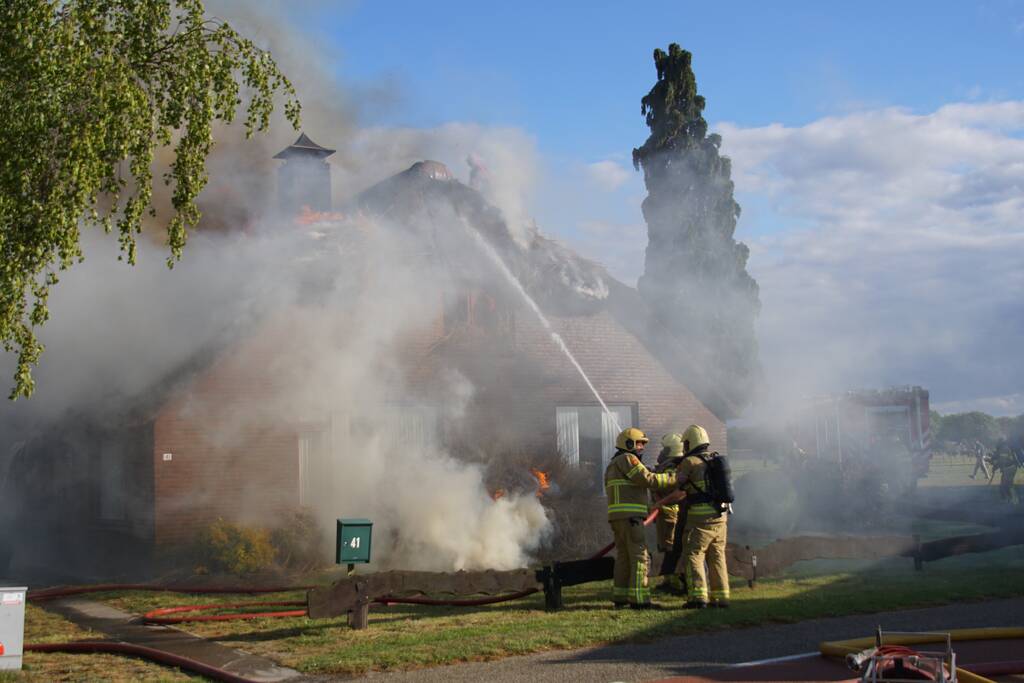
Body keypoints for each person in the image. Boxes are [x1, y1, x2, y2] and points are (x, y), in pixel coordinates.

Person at [604, 427, 676, 609]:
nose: (641, 448)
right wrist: (673, 478)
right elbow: (648, 480)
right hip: (631, 518)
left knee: (623, 557)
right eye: (639, 443)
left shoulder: (613, 464)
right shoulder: (628, 459)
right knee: (640, 557)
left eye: (643, 444)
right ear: (628, 444)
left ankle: (620, 597)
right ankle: (639, 599)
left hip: (618, 518)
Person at [676, 424, 730, 609]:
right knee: (717, 555)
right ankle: (721, 597)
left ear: (690, 442)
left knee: (694, 554)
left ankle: (698, 597)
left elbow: (678, 484)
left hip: (700, 518)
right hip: (720, 517)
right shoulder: (714, 459)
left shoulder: (689, 462)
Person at [653, 433, 686, 595]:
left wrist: (659, 500)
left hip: (671, 513)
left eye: (664, 448)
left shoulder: (673, 468)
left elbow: (675, 491)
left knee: (671, 547)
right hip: (664, 512)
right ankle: (668, 579)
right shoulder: (668, 466)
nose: (661, 452)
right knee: (666, 547)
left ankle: (675, 582)